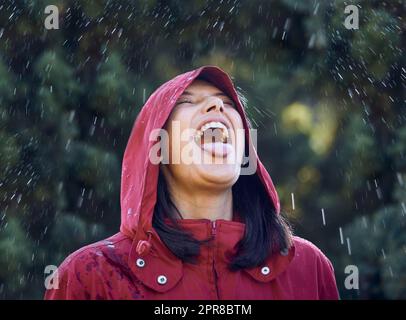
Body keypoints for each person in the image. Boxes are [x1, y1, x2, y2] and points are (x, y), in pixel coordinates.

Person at [44, 66, 340, 300]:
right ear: (156, 148)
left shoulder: (307, 268)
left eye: (227, 103)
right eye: (187, 101)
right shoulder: (92, 275)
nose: (216, 107)